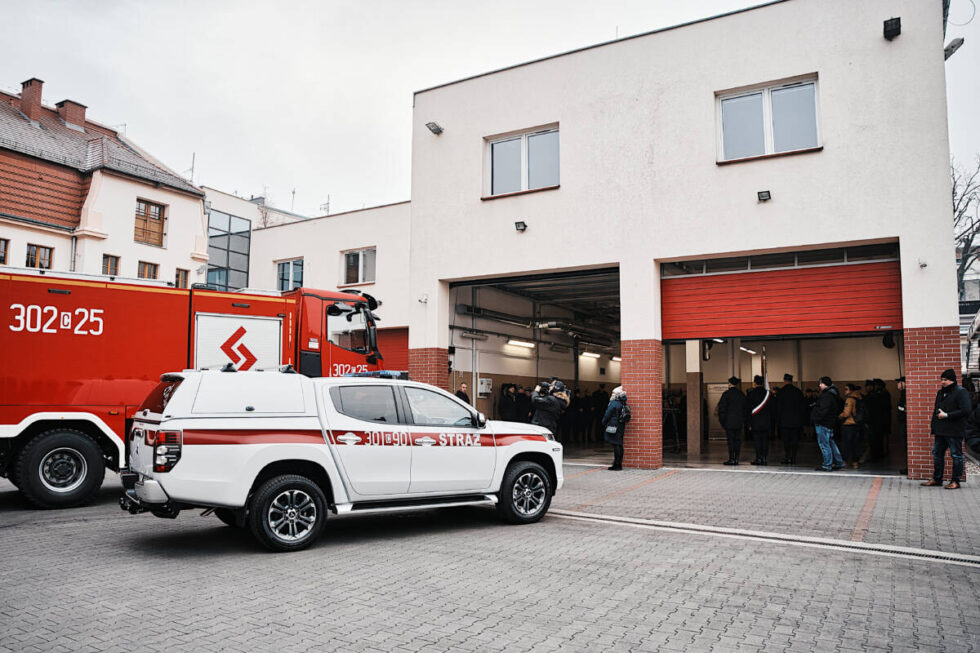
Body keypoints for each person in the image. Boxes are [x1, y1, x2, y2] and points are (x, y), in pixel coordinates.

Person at [922, 368, 971, 490]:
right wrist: (933, 426)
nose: (942, 382)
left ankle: (955, 481)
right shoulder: (941, 393)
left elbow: (966, 410)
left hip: (954, 430)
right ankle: (937, 479)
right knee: (937, 454)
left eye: (945, 379)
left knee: (956, 455)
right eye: (941, 379)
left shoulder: (961, 392)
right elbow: (936, 411)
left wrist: (948, 415)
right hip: (940, 430)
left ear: (953, 380)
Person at [812, 376, 844, 471]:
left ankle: (827, 464)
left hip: (823, 423)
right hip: (830, 423)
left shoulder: (826, 396)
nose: (819, 385)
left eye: (821, 383)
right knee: (831, 443)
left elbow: (823, 411)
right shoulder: (834, 394)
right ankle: (839, 462)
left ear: (825, 384)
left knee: (824, 444)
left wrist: (815, 417)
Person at [775, 373, 806, 465]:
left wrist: (778, 421)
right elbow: (803, 407)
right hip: (796, 421)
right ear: (792, 381)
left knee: (786, 441)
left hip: (784, 422)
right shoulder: (798, 392)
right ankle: (793, 457)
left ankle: (788, 457)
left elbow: (778, 408)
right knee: (795, 441)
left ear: (784, 380)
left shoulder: (781, 392)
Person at [717, 376, 747, 465]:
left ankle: (731, 458)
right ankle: (737, 458)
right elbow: (745, 409)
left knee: (730, 441)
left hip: (729, 423)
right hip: (739, 422)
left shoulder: (726, 394)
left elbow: (721, 409)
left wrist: (723, 422)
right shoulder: (741, 394)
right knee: (737, 441)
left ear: (729, 384)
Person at [745, 375, 772, 465]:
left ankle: (758, 458)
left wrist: (748, 423)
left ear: (755, 383)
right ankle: (764, 458)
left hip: (755, 422)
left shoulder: (751, 394)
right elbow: (772, 409)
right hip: (766, 422)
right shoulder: (768, 394)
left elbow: (748, 410)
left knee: (757, 441)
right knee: (765, 440)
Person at [602, 386, 629, 470]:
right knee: (619, 444)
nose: (612, 394)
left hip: (614, 425)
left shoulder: (614, 403)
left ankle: (616, 465)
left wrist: (603, 422)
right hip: (621, 425)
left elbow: (607, 414)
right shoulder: (623, 402)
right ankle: (619, 463)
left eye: (613, 393)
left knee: (616, 444)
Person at [839, 383, 864, 468]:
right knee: (855, 444)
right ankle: (855, 462)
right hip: (857, 424)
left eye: (846, 389)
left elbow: (846, 413)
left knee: (847, 444)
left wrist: (839, 416)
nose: (844, 391)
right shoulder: (859, 397)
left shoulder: (849, 399)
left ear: (851, 390)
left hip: (849, 424)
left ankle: (846, 461)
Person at [896, 376, 907, 475]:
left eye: (899, 383)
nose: (897, 385)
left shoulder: (905, 394)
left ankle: (909, 466)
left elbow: (904, 409)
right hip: (902, 422)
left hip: (905, 422)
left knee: (907, 445)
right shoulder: (902, 394)